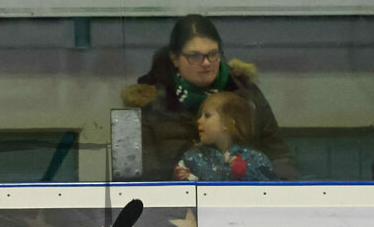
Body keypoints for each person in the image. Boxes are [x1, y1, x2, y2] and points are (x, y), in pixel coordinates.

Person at [122, 14, 297, 181]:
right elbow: (137, 178)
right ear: (175, 58)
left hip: (244, 202)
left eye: (212, 54)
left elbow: (278, 155)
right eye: (194, 56)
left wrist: (283, 194)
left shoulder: (245, 93)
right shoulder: (149, 104)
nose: (206, 63)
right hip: (176, 205)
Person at [175, 91, 276, 181]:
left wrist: (246, 173)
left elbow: (269, 191)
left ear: (227, 123)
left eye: (207, 116)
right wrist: (183, 178)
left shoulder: (254, 159)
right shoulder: (193, 157)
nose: (199, 121)